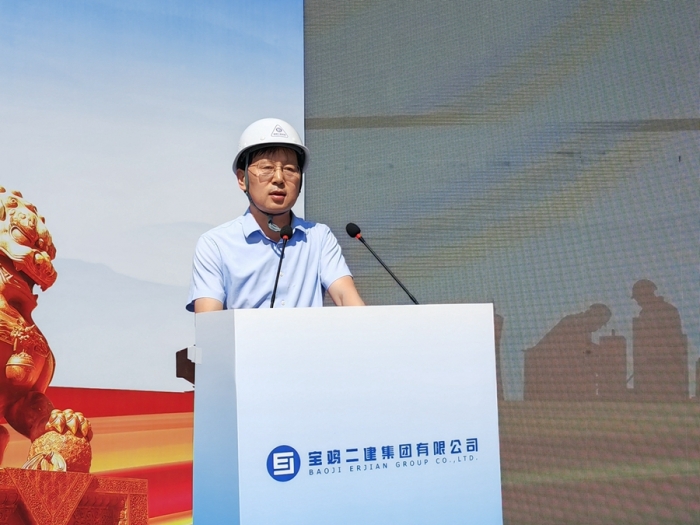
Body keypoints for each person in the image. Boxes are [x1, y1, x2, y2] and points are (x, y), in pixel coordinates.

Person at [187, 118, 364, 313]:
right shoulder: (215, 245)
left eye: (289, 169)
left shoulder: (319, 237)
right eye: (266, 168)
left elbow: (346, 297)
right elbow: (209, 322)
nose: (279, 179)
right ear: (242, 179)